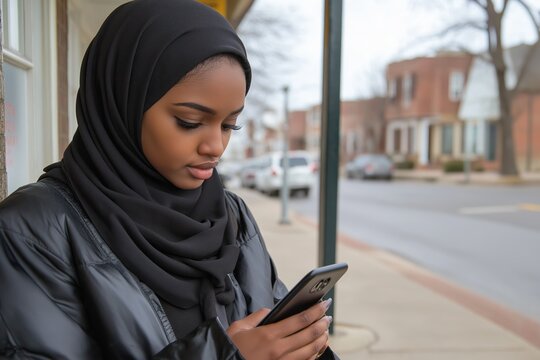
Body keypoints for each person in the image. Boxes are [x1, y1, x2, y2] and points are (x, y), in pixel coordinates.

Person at [0, 1, 338, 359]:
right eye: (190, 121)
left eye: (229, 124)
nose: (215, 146)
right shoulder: (31, 232)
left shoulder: (231, 215)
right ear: (123, 104)